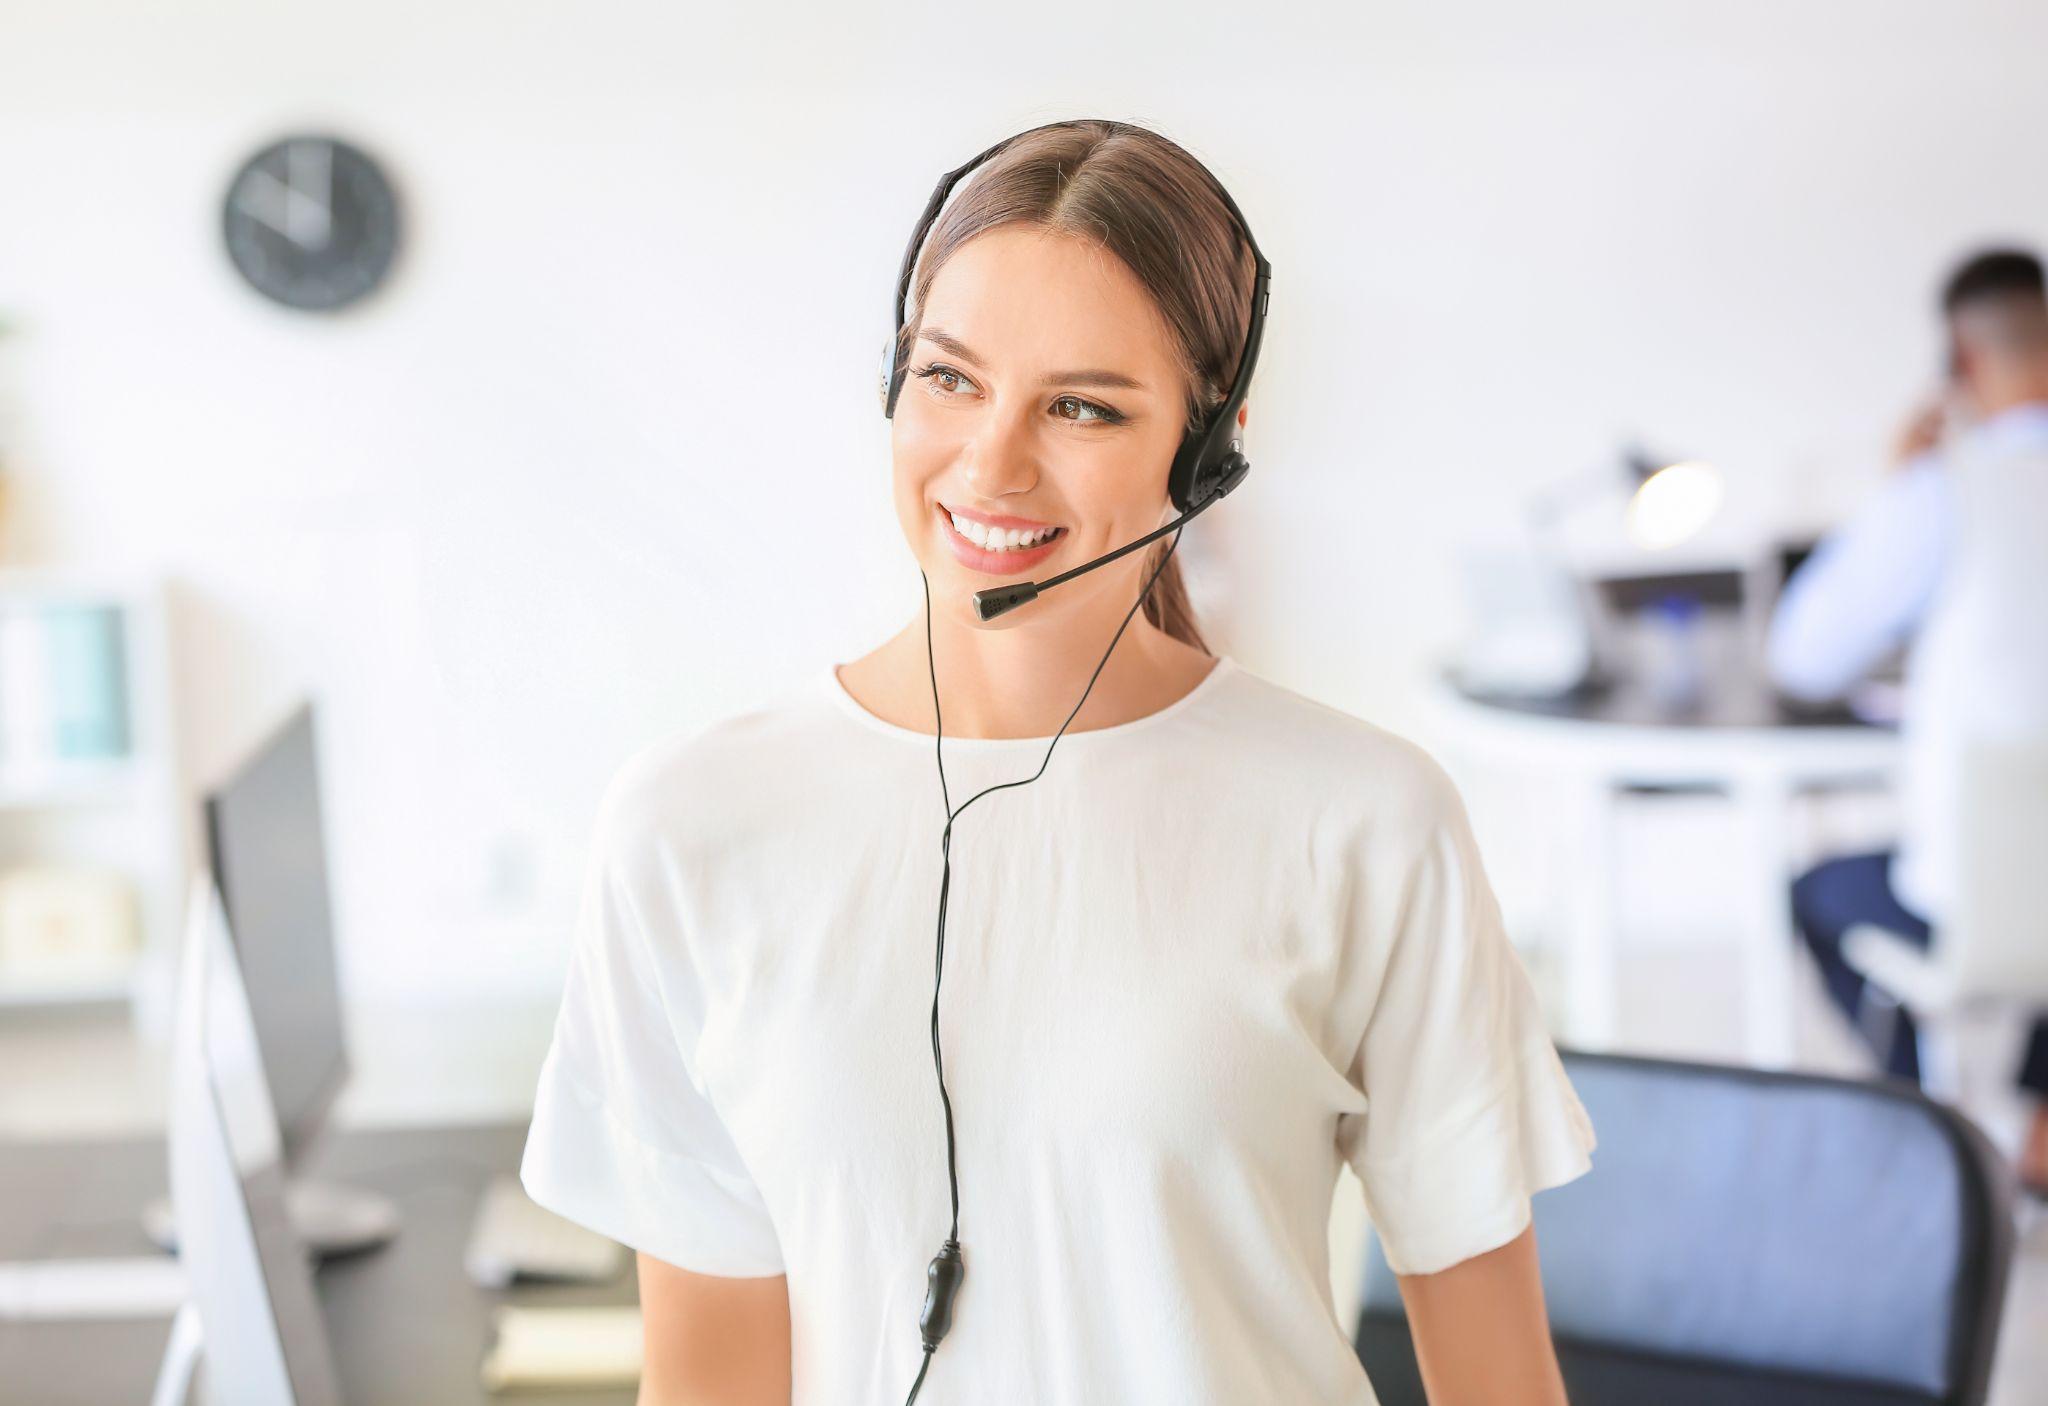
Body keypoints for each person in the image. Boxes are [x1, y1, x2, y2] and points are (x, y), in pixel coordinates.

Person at [517, 118, 1596, 1405]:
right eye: (949, 378)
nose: (991, 462)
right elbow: (711, 1385)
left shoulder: (1365, 819)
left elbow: (1497, 1384)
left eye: (1080, 405)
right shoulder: (690, 827)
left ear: (1208, 449)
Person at [1769, 246, 2048, 1198]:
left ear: (1961, 366)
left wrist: (1898, 491)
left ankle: (1930, 1134)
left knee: (1816, 889)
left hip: (1972, 912)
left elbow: (1800, 655)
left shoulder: (1946, 495)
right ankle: (2040, 1119)